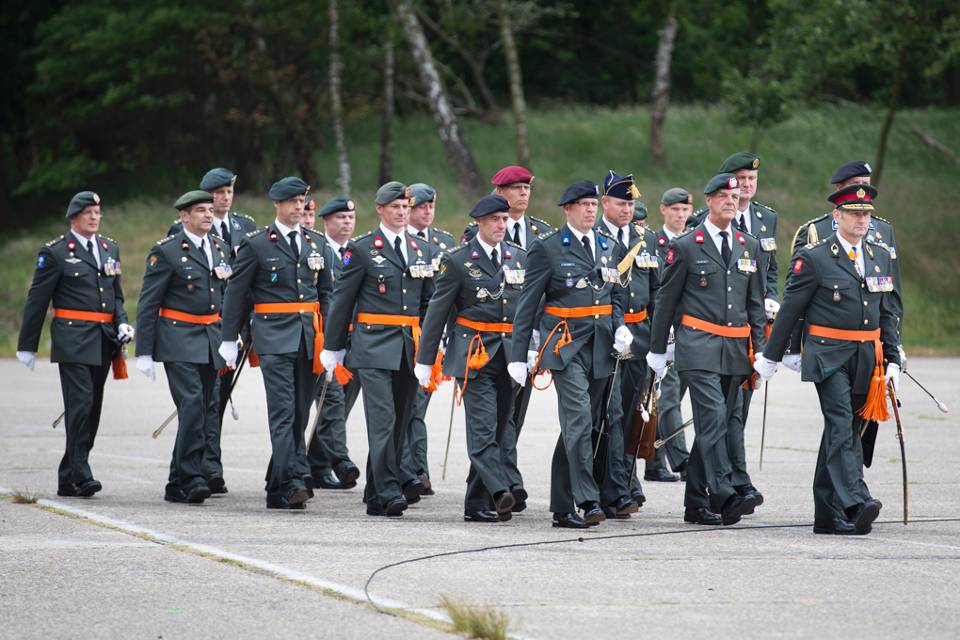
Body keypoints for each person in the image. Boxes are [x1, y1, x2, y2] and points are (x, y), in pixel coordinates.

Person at [756, 183, 900, 535]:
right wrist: (773, 356)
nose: (862, 220)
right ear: (837, 216)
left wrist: (894, 357)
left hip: (867, 356)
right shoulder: (815, 257)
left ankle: (826, 514)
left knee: (849, 429)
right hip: (828, 354)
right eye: (854, 213)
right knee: (839, 422)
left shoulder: (880, 255)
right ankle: (856, 499)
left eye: (866, 214)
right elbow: (791, 309)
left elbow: (888, 310)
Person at [509, 180, 631, 529]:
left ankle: (562, 508)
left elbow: (615, 295)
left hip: (601, 345)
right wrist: (520, 353)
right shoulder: (547, 248)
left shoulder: (608, 246)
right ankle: (588, 500)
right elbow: (528, 303)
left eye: (593, 204)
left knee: (583, 426)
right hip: (565, 346)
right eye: (583, 205)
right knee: (578, 419)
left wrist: (620, 326)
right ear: (567, 210)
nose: (591, 210)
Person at [647, 173, 766, 527]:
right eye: (723, 197)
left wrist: (761, 351)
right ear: (709, 201)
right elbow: (666, 300)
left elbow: (755, 304)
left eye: (735, 197)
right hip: (697, 345)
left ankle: (696, 504)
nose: (731, 201)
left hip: (735, 349)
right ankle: (725, 491)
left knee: (719, 425)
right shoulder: (687, 246)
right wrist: (657, 350)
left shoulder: (749, 245)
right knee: (712, 417)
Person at [320, 181, 438, 517]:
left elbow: (429, 302)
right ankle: (389, 490)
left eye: (405, 207)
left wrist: (432, 345)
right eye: (395, 207)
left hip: (408, 347)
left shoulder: (421, 249)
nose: (402, 213)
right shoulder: (362, 249)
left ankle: (375, 493)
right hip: (372, 346)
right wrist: (333, 347)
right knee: (383, 420)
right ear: (380, 210)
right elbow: (342, 300)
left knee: (400, 421)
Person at [219, 176, 333, 510]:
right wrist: (229, 338)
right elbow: (236, 295)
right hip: (273, 338)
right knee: (283, 412)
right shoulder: (257, 244)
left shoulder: (316, 242)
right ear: (277, 204)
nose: (299, 208)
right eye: (292, 202)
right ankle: (292, 480)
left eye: (302, 202)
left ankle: (277, 483)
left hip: (309, 339)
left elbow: (327, 295)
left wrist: (333, 341)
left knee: (299, 412)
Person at [415, 194, 527, 522]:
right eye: (494, 220)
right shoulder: (458, 260)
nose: (501, 225)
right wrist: (425, 359)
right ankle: (499, 490)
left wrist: (531, 345)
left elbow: (528, 307)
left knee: (501, 428)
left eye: (504, 219)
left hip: (509, 354)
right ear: (479, 223)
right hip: (473, 355)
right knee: (483, 429)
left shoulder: (518, 257)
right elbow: (438, 311)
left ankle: (476, 503)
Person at [17, 191, 133, 497]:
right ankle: (82, 473)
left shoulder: (109, 248)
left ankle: (67, 477)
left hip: (103, 339)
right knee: (80, 403)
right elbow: (37, 299)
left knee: (92, 408)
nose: (94, 217)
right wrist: (27, 344)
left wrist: (121, 321)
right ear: (73, 217)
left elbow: (116, 295)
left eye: (97, 212)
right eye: (87, 213)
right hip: (72, 338)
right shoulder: (56, 252)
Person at [464, 165, 553, 512]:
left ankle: (497, 481)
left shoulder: (541, 234)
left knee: (513, 416)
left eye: (527, 188)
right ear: (499, 193)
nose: (523, 193)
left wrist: (540, 337)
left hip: (528, 339)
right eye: (516, 188)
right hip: (488, 343)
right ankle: (506, 481)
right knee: (491, 420)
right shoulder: (476, 233)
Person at [135, 190, 231, 504]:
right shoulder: (167, 251)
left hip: (211, 338)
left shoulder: (220, 248)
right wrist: (144, 351)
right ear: (184, 216)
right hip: (178, 338)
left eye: (210, 209)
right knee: (191, 404)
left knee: (204, 407)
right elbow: (148, 302)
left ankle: (177, 481)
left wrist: (231, 335)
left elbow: (226, 296)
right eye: (200, 210)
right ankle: (192, 477)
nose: (208, 214)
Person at [168, 167, 258, 495]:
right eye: (218, 193)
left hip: (231, 327)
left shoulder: (245, 226)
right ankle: (204, 467)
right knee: (200, 402)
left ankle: (207, 465)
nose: (225, 198)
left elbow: (251, 279)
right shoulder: (181, 231)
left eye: (229, 191)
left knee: (216, 399)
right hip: (197, 329)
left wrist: (249, 324)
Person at [596, 171, 658, 518]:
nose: (627, 210)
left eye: (631, 204)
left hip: (642, 336)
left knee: (636, 412)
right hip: (608, 336)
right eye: (621, 203)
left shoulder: (646, 240)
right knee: (613, 412)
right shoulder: (595, 237)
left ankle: (626, 479)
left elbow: (658, 289)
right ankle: (616, 488)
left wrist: (663, 337)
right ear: (605, 202)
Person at [303, 196, 361, 491]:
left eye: (350, 217)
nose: (347, 222)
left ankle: (316, 464)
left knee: (339, 406)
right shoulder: (317, 250)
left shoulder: (358, 251)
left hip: (355, 339)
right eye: (340, 217)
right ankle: (333, 461)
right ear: (326, 221)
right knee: (330, 401)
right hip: (322, 340)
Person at [402, 182, 456, 498]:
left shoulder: (444, 243)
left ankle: (415, 470)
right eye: (421, 206)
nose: (427, 211)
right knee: (407, 407)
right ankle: (411, 470)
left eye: (431, 206)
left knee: (418, 407)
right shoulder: (397, 241)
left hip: (434, 338)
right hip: (404, 333)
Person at [644, 188, 694, 483]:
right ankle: (682, 460)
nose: (680, 215)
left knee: (667, 398)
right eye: (675, 209)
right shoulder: (653, 243)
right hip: (663, 331)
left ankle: (653, 462)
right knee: (669, 395)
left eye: (685, 210)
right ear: (663, 210)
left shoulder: (695, 242)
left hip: (691, 331)